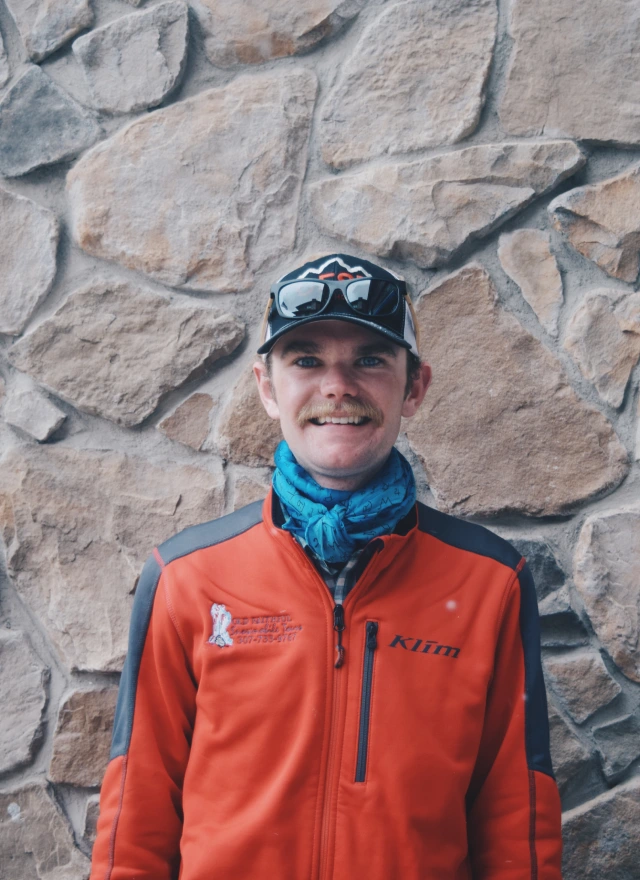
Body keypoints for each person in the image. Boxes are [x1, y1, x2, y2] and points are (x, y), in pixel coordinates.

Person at [90, 253, 563, 879]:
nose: (337, 386)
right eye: (306, 359)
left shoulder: (489, 583)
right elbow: (137, 817)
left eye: (369, 359)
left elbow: (516, 822)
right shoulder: (186, 578)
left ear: (414, 387)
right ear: (266, 386)